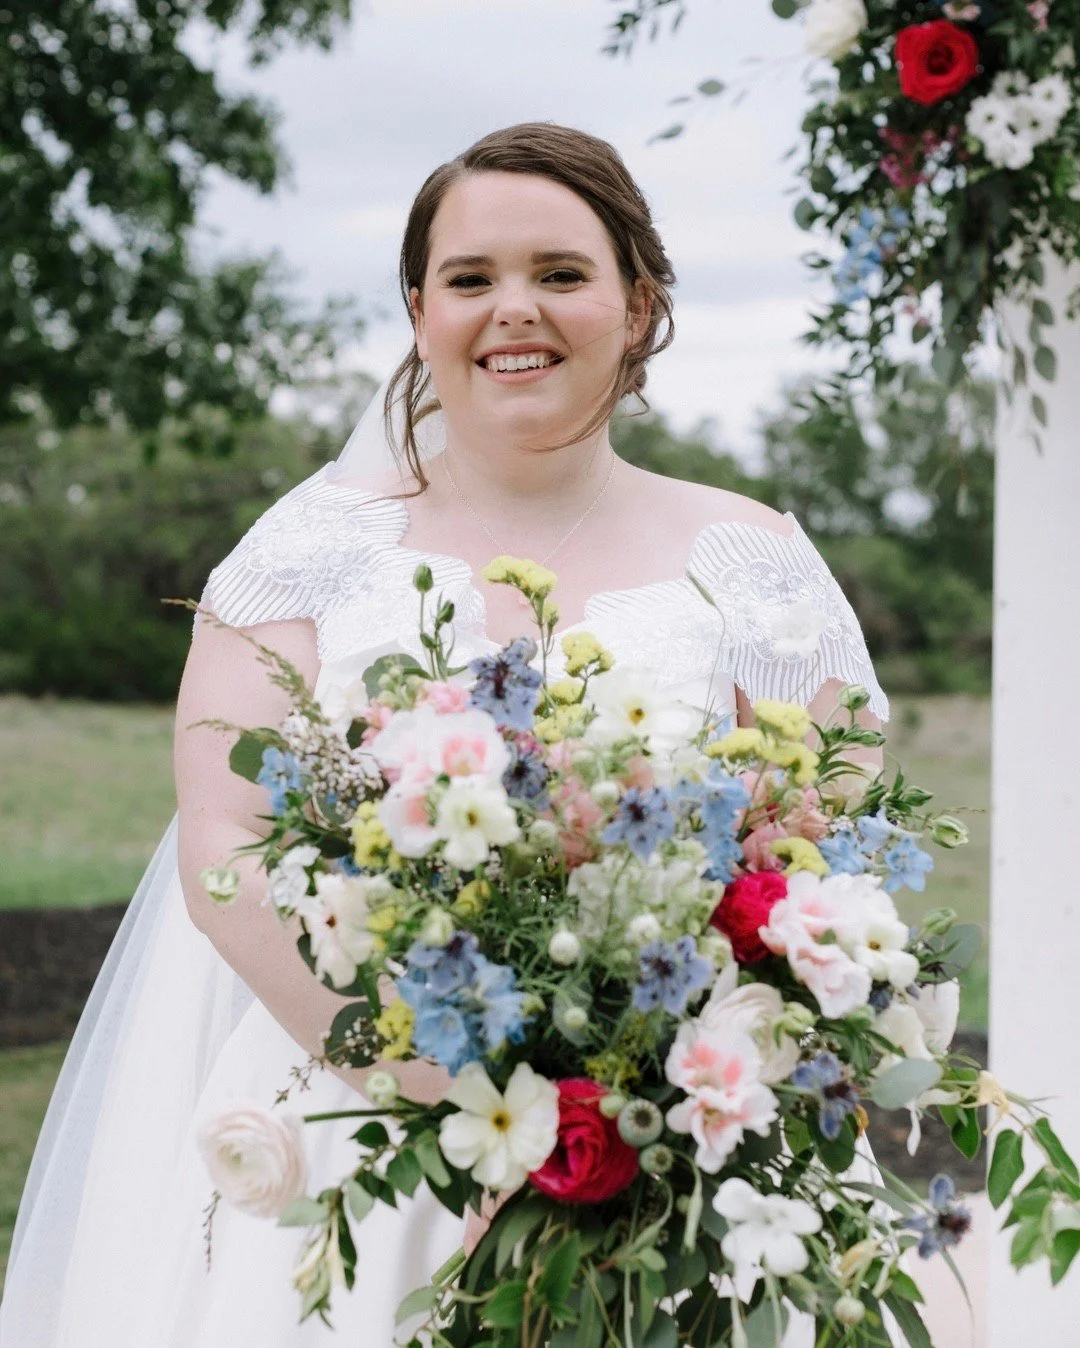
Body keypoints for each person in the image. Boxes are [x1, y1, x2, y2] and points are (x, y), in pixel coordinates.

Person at [0, 122, 889, 1346]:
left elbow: (832, 850)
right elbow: (227, 848)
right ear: (420, 310)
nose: (512, 310)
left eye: (561, 275)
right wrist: (464, 1109)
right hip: (351, 1136)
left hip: (668, 1143)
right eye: (470, 279)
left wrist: (625, 1102)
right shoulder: (305, 555)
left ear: (640, 303)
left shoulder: (756, 562)